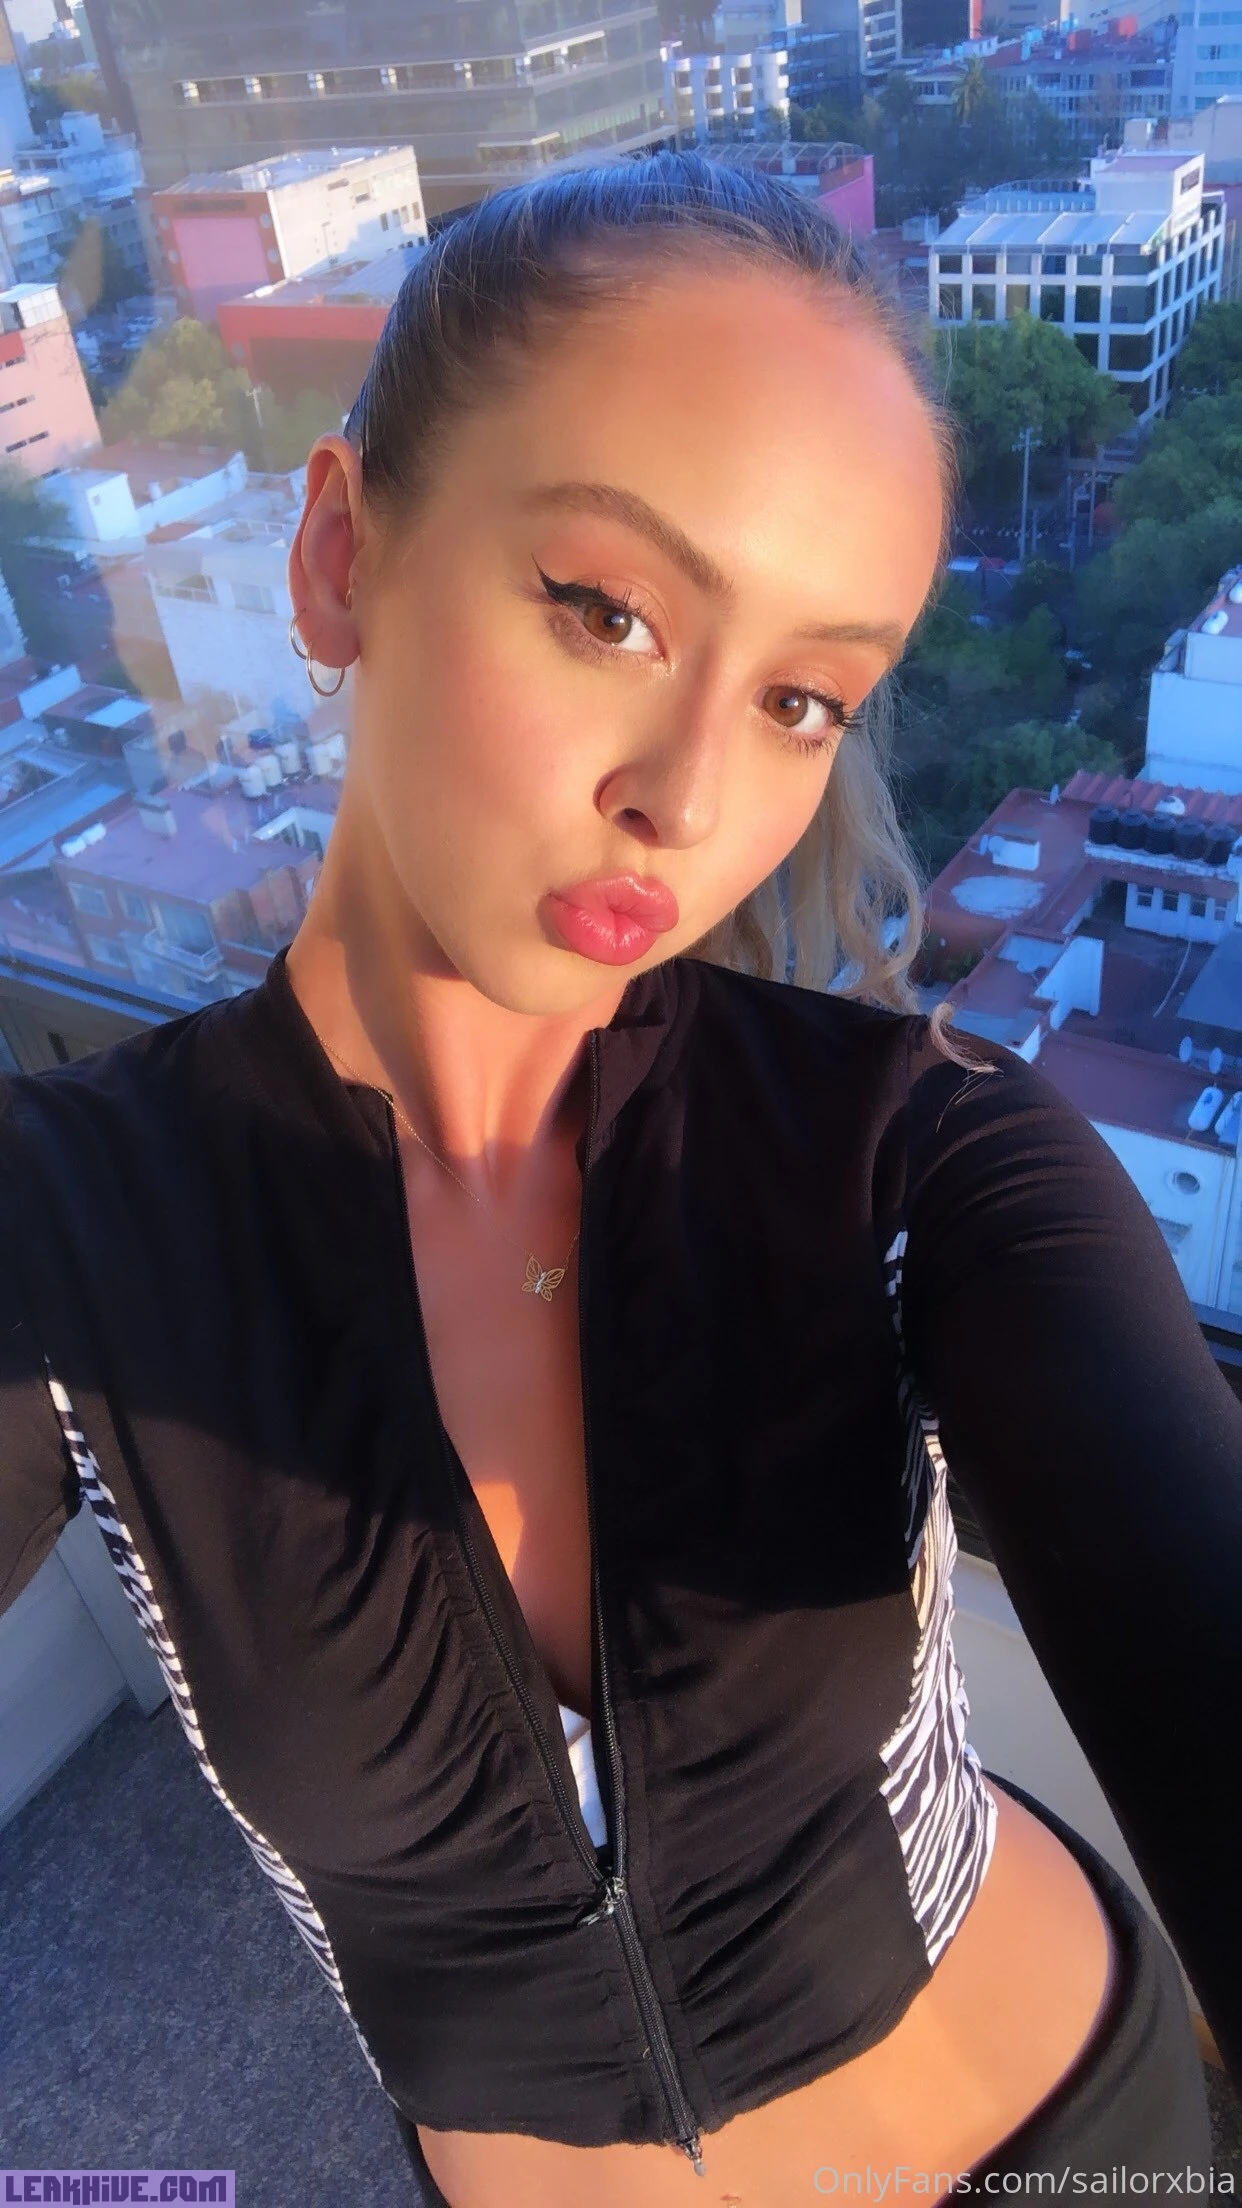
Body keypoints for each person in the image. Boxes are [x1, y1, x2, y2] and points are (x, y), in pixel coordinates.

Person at [1, 151, 1240, 2208]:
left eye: (801, 701)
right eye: (606, 610)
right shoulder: (65, 1239)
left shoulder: (916, 1153)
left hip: (1064, 2135)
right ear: (340, 556)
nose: (691, 795)